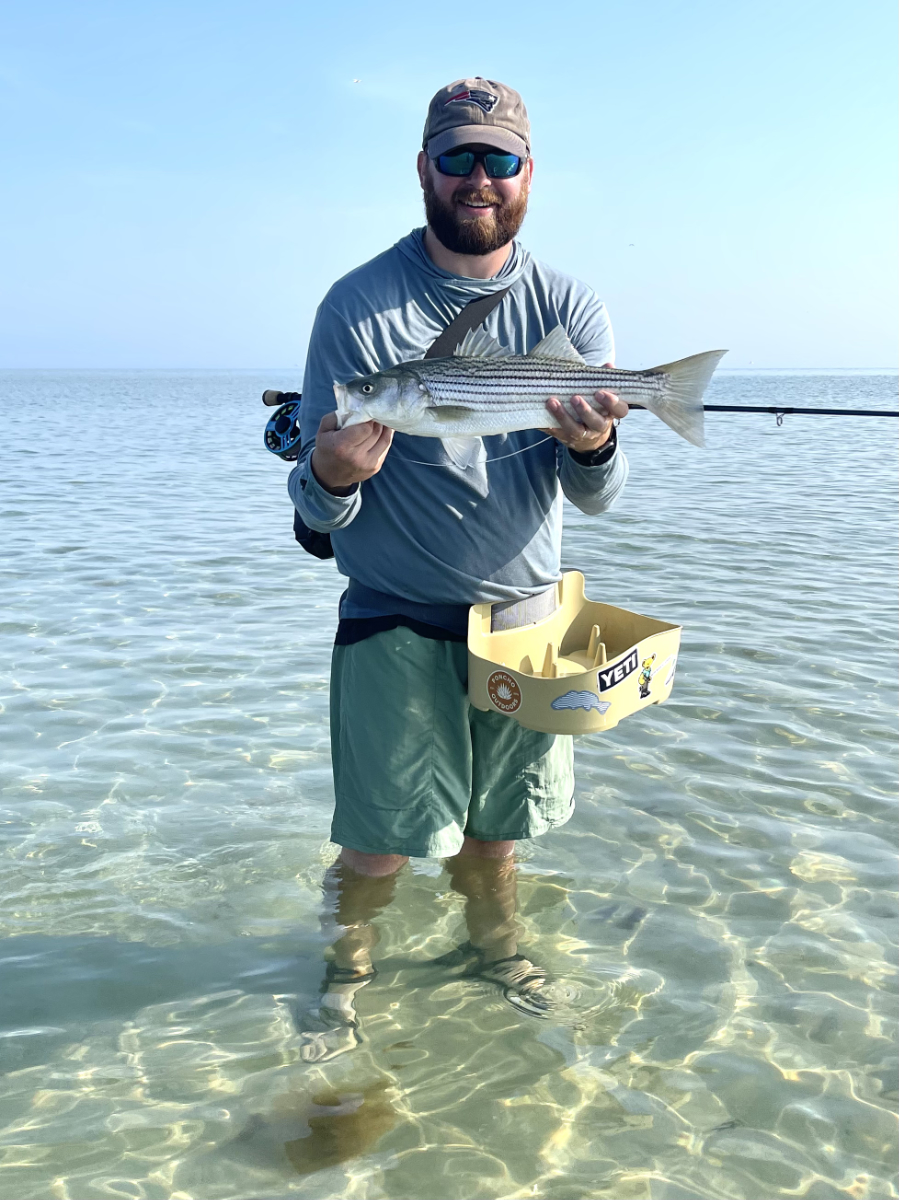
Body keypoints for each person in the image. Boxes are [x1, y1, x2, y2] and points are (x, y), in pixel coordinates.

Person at [288, 78, 629, 1058]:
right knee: (376, 839)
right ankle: (341, 978)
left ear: (526, 175)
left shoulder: (567, 304)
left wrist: (597, 447)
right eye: (457, 159)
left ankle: (498, 953)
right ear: (423, 169)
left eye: (498, 160)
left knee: (497, 834)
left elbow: (595, 498)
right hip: (392, 616)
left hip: (524, 619)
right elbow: (314, 514)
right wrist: (328, 473)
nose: (477, 180)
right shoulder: (355, 306)